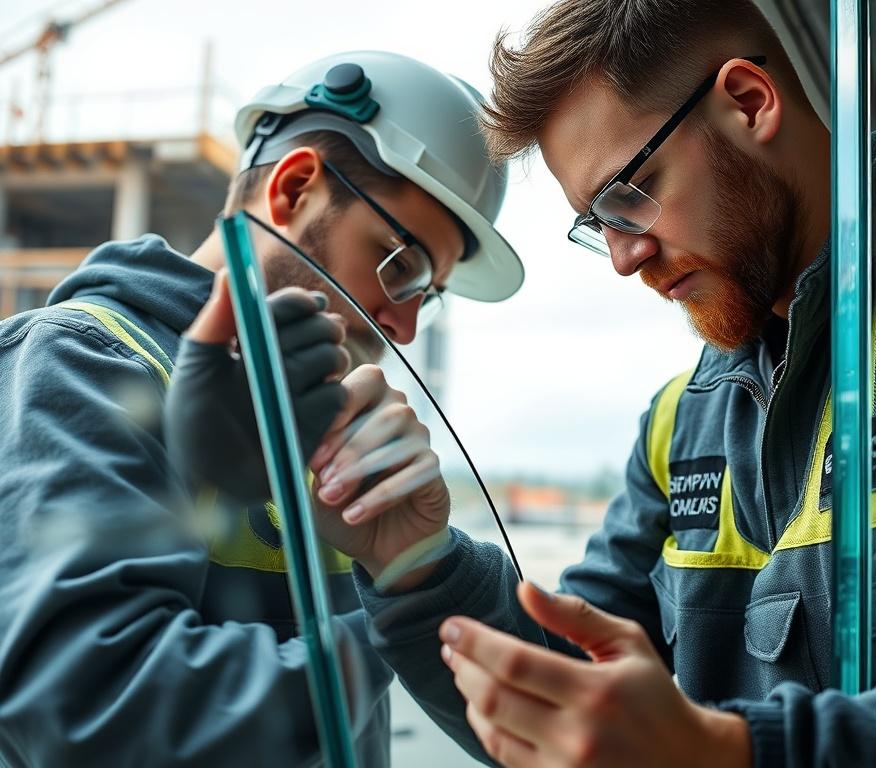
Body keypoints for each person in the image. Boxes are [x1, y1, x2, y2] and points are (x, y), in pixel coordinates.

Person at [330, 2, 876, 767]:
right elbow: (570, 695)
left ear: (749, 103)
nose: (625, 257)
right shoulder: (682, 418)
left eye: (630, 191)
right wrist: (413, 560)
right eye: (598, 223)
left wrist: (727, 752)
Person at [0, 50, 522, 766]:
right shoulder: (84, 364)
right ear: (295, 188)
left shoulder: (318, 412)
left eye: (424, 296)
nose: (401, 326)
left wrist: (417, 563)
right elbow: (98, 714)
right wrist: (386, 625)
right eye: (398, 265)